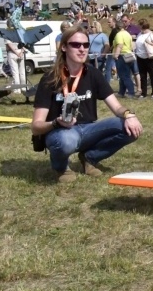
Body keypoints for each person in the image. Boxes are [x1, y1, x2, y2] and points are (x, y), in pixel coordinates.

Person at [31, 25, 143, 183]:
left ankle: (89, 158)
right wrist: (56, 123)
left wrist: (129, 115)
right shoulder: (50, 78)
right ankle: (61, 167)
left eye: (85, 45)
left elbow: (116, 107)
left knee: (130, 128)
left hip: (88, 129)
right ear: (64, 47)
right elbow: (36, 126)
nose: (82, 49)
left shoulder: (93, 73)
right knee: (65, 141)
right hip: (61, 132)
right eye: (76, 45)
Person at [134, 19, 153, 99]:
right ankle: (144, 93)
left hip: (150, 58)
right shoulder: (139, 34)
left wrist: (149, 43)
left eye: (139, 25)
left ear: (142, 25)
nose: (138, 26)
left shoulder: (151, 34)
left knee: (152, 75)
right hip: (140, 57)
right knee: (142, 76)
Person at [112, 20, 137, 99]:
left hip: (122, 56)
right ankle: (121, 92)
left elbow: (120, 45)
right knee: (122, 75)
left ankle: (131, 92)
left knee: (125, 76)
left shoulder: (119, 34)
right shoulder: (127, 34)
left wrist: (116, 55)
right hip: (129, 55)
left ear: (117, 27)